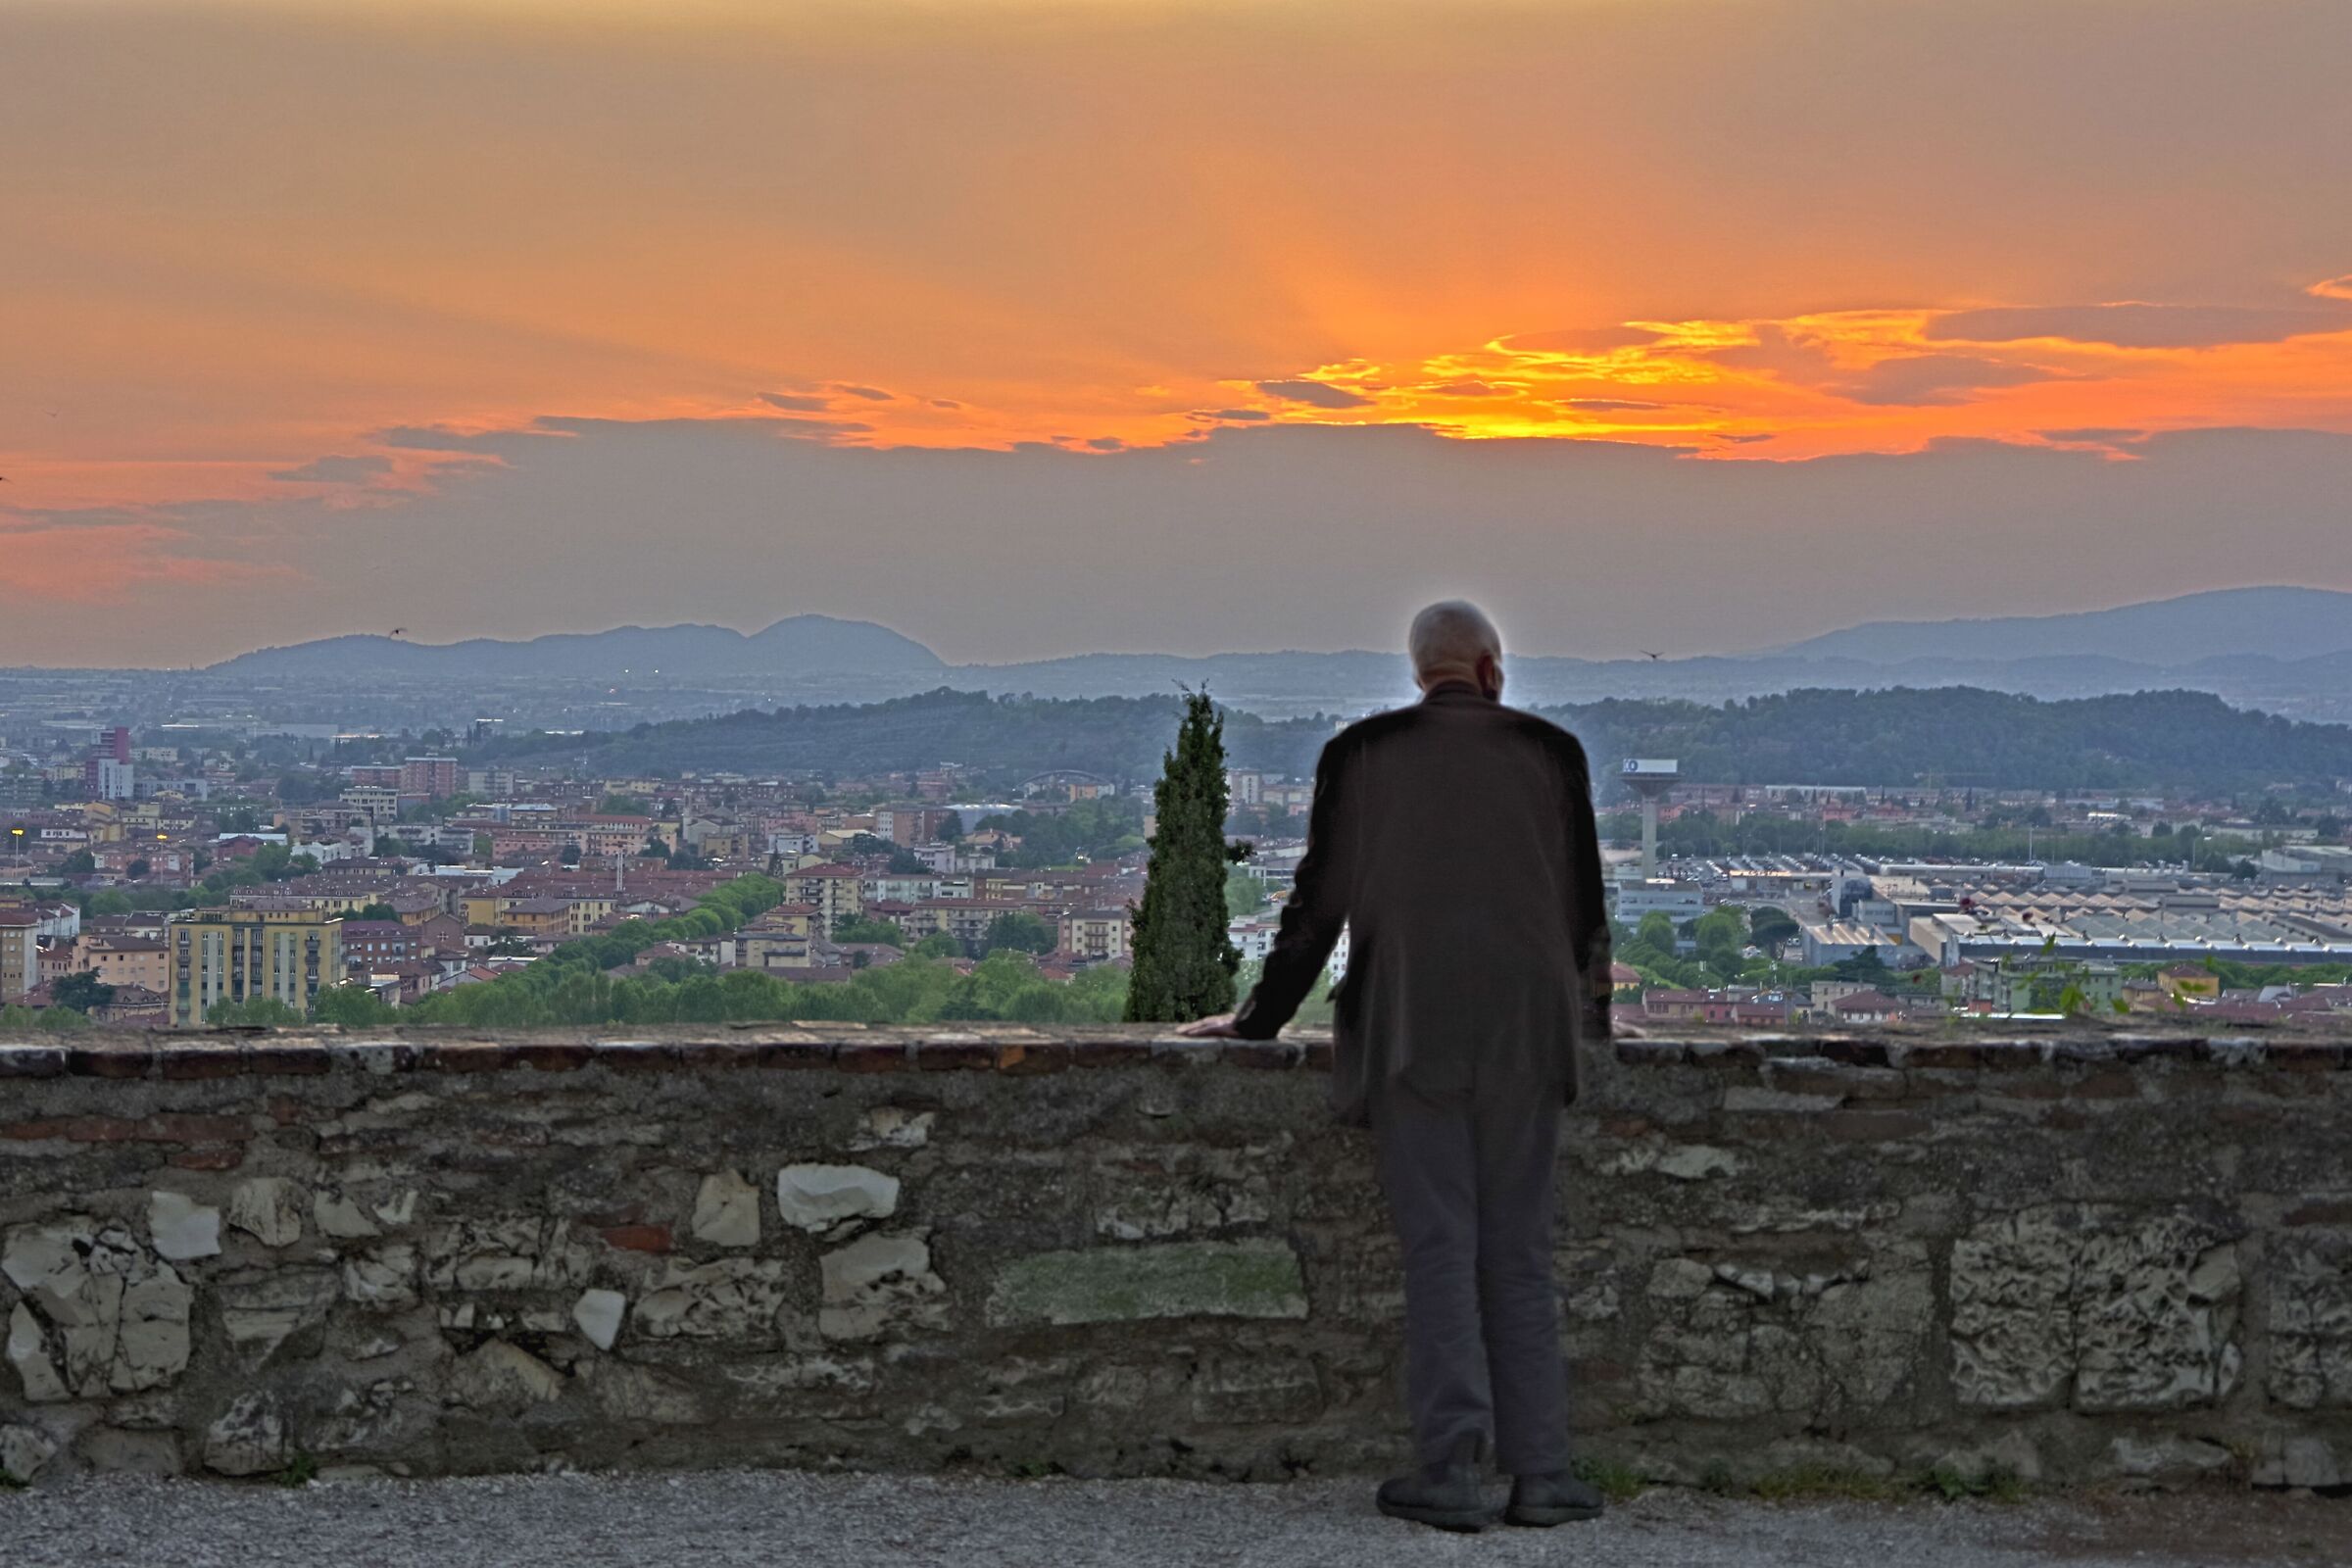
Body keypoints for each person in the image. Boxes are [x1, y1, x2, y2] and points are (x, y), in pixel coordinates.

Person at [1182, 600, 1618, 1533]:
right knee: (1519, 1250)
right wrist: (1594, 1025)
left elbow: (1318, 907)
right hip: (1527, 1035)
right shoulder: (1552, 754)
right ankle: (1542, 1472)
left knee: (1439, 1248)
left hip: (1410, 1027)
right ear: (1492, 669)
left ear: (1421, 672)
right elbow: (1586, 907)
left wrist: (1257, 1023)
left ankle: (1452, 1468)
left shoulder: (1363, 755)